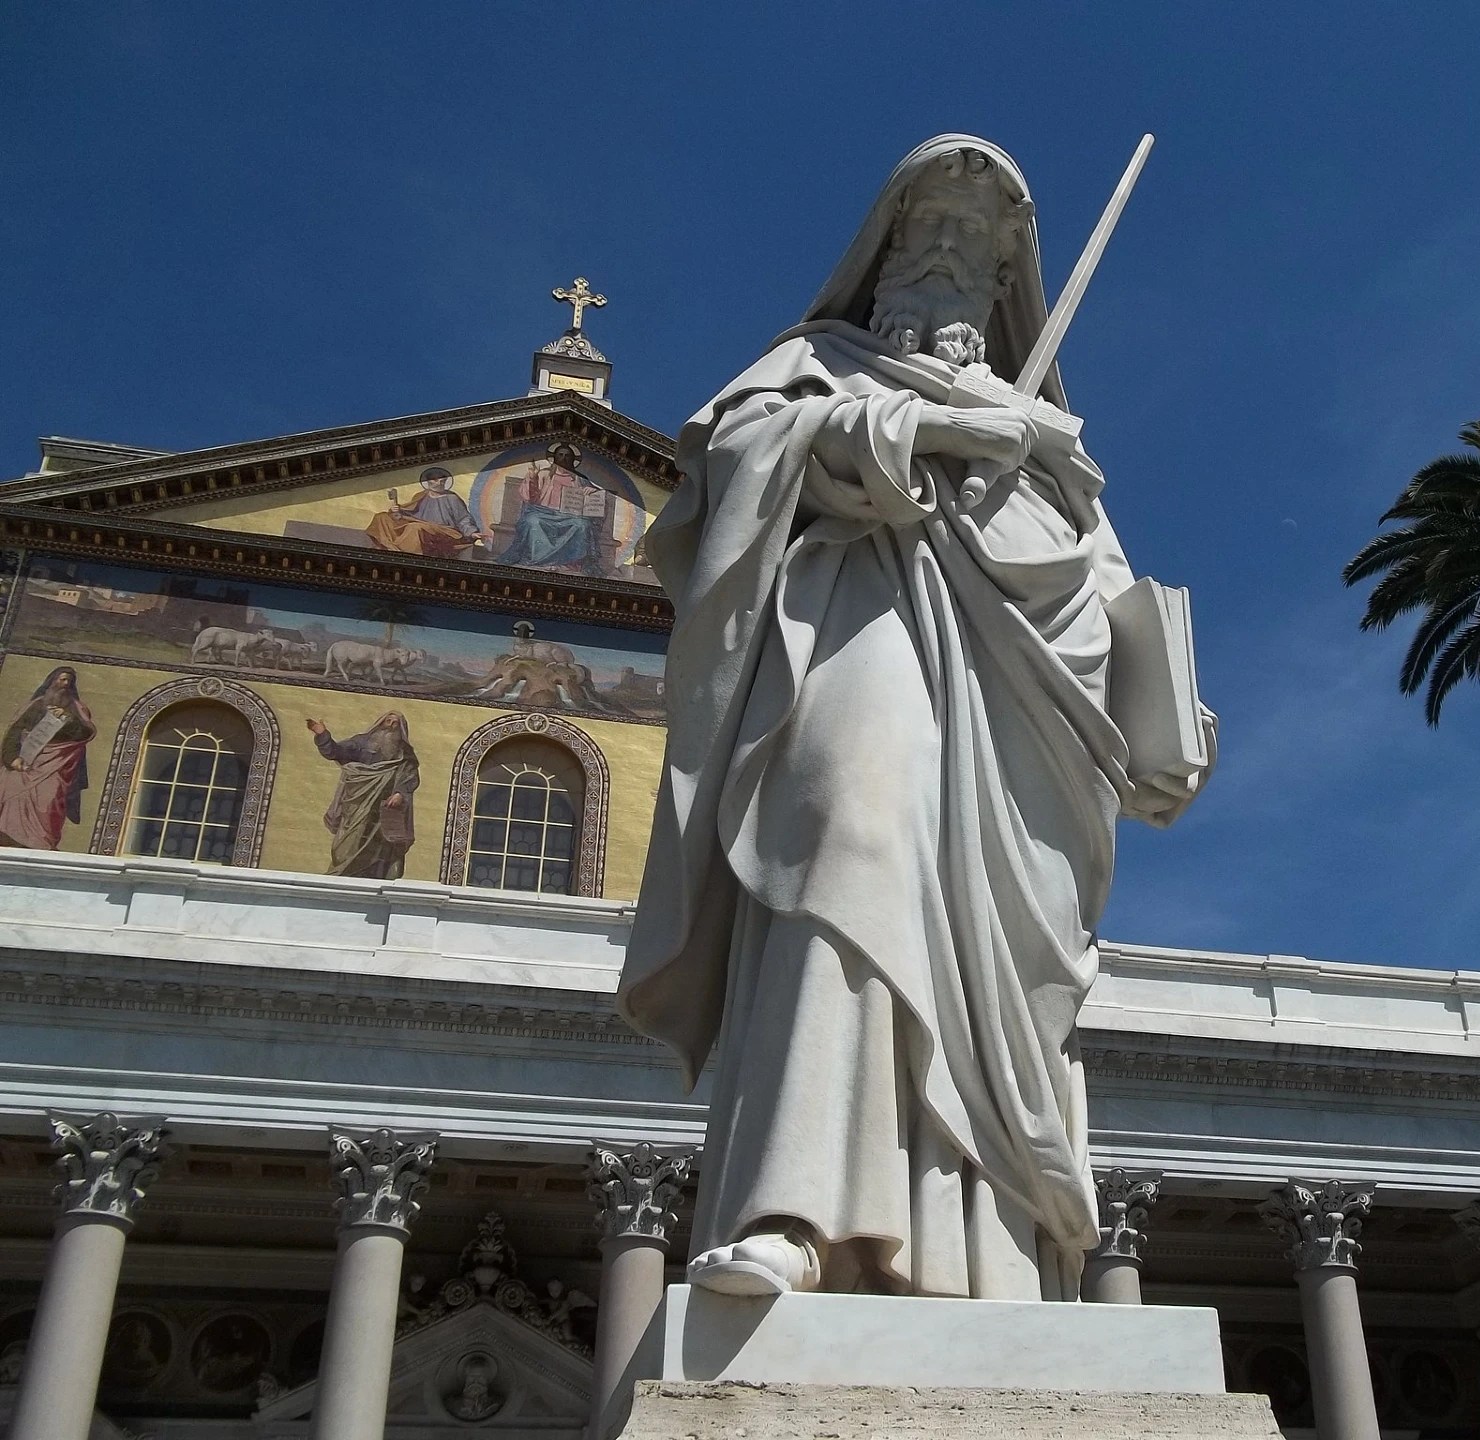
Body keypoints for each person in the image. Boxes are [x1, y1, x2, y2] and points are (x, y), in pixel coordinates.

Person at [619, 136, 1214, 1303]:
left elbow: (1094, 587)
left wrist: (1160, 714)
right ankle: (795, 1214)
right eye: (927, 228)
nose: (947, 253)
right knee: (844, 835)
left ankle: (988, 1253)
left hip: (1019, 739)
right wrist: (926, 433)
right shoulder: (815, 366)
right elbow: (732, 470)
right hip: (857, 635)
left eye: (974, 240)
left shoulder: (1049, 437)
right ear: (882, 250)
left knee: (999, 955)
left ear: (1006, 283)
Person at [306, 712, 418, 878]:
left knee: (382, 846)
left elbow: (410, 775)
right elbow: (336, 752)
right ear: (380, 723)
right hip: (357, 802)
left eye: (395, 724)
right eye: (388, 721)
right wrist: (322, 735)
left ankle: (376, 876)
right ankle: (342, 873)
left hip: (384, 808)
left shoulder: (404, 753)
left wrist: (400, 793)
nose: (391, 726)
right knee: (347, 842)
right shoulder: (361, 742)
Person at [0, 667, 95, 850]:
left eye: (69, 681)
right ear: (51, 682)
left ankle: (42, 843)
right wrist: (12, 759)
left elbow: (85, 733)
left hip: (56, 765)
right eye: (61, 680)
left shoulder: (78, 709)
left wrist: (67, 719)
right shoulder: (35, 705)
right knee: (11, 788)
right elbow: (15, 732)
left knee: (49, 798)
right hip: (25, 761)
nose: (65, 684)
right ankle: (8, 838)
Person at [492, 442, 603, 573]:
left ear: (573, 460)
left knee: (583, 525)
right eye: (560, 455)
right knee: (532, 521)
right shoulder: (544, 474)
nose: (564, 458)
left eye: (567, 456)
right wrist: (532, 478)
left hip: (569, 516)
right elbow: (529, 498)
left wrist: (592, 490)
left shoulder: (580, 479)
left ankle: (568, 563)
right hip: (543, 513)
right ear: (554, 458)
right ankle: (537, 561)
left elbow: (597, 497)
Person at [365, 467, 482, 557]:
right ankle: (387, 546)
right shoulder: (421, 495)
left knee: (414, 528)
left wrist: (472, 532)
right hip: (419, 524)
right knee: (382, 517)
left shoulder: (452, 498)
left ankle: (404, 555)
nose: (439, 483)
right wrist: (396, 511)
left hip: (444, 531)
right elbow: (410, 514)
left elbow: (463, 519)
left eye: (442, 480)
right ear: (428, 481)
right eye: (435, 480)